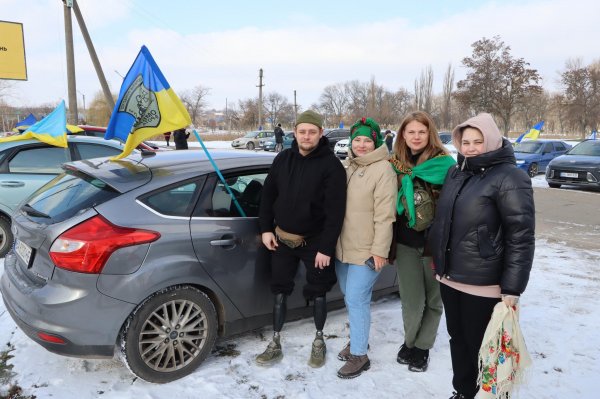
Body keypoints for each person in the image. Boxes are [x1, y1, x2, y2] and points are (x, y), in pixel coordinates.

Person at [428, 113, 535, 399]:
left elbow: (521, 235)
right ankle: (463, 392)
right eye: (465, 142)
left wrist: (513, 287)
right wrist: (438, 258)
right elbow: (444, 221)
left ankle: (489, 395)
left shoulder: (511, 178)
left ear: (492, 140)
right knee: (458, 341)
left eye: (478, 141)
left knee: (485, 347)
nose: (471, 147)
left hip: (484, 281)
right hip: (450, 277)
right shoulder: (456, 172)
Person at [256, 110, 347, 368]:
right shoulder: (283, 158)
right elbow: (267, 197)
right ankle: (275, 342)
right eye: (302, 131)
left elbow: (335, 212)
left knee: (318, 291)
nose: (306, 136)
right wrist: (265, 229)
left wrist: (326, 248)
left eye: (312, 131)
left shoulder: (332, 166)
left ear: (320, 133)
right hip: (282, 239)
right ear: (294, 133)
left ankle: (318, 340)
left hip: (315, 243)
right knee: (280, 289)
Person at [390, 111, 456, 373]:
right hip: (405, 243)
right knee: (411, 301)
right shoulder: (395, 165)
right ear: (403, 135)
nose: (416, 137)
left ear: (430, 134)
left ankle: (422, 347)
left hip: (435, 246)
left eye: (421, 132)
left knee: (433, 301)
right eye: (411, 132)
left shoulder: (445, 165)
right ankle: (409, 341)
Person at [334, 117, 397, 378]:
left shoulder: (383, 170)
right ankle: (359, 339)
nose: (361, 145)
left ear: (376, 142)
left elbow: (385, 215)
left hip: (367, 250)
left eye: (367, 140)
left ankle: (360, 355)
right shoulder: (347, 166)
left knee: (357, 299)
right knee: (351, 298)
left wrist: (380, 250)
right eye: (356, 140)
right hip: (342, 248)